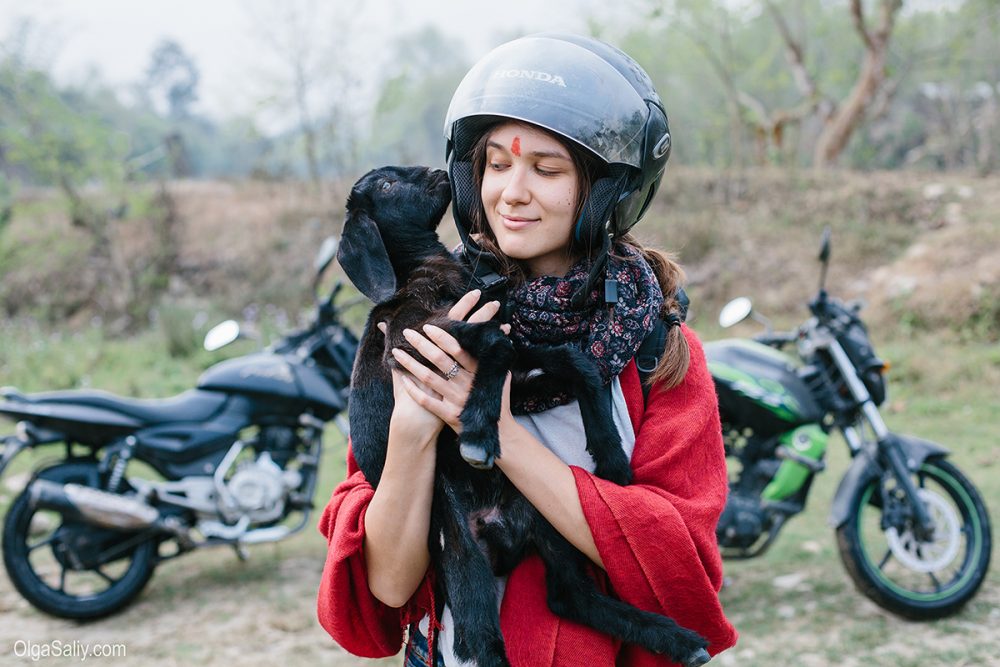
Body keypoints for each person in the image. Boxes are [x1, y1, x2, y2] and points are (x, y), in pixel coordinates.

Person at [317, 33, 737, 667]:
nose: (512, 191)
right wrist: (411, 430)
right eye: (496, 164)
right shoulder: (419, 328)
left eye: (546, 169)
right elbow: (389, 590)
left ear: (603, 189)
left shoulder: (657, 351)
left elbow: (679, 565)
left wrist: (495, 431)